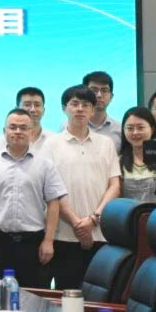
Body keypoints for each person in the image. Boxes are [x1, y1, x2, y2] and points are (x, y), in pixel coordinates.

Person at [36, 85, 120, 289]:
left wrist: (93, 219)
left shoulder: (106, 143)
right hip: (63, 236)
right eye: (74, 104)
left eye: (86, 105)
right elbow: (51, 192)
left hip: (100, 234)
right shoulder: (51, 144)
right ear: (64, 108)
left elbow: (115, 185)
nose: (80, 109)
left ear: (92, 110)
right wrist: (77, 224)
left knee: (98, 296)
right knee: (68, 294)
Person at [0, 109, 66, 287]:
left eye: (23, 128)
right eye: (13, 127)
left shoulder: (45, 164)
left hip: (33, 244)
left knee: (34, 296)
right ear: (4, 131)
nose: (18, 132)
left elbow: (53, 203)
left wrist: (48, 241)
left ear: (32, 132)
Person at [84, 71, 122, 148]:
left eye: (104, 90)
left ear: (111, 97)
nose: (99, 95)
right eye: (94, 90)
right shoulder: (67, 127)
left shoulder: (120, 130)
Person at [12, 87, 53, 153]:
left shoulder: (53, 139)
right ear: (16, 109)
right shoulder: (2, 141)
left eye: (37, 105)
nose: (32, 110)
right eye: (27, 105)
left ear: (43, 110)